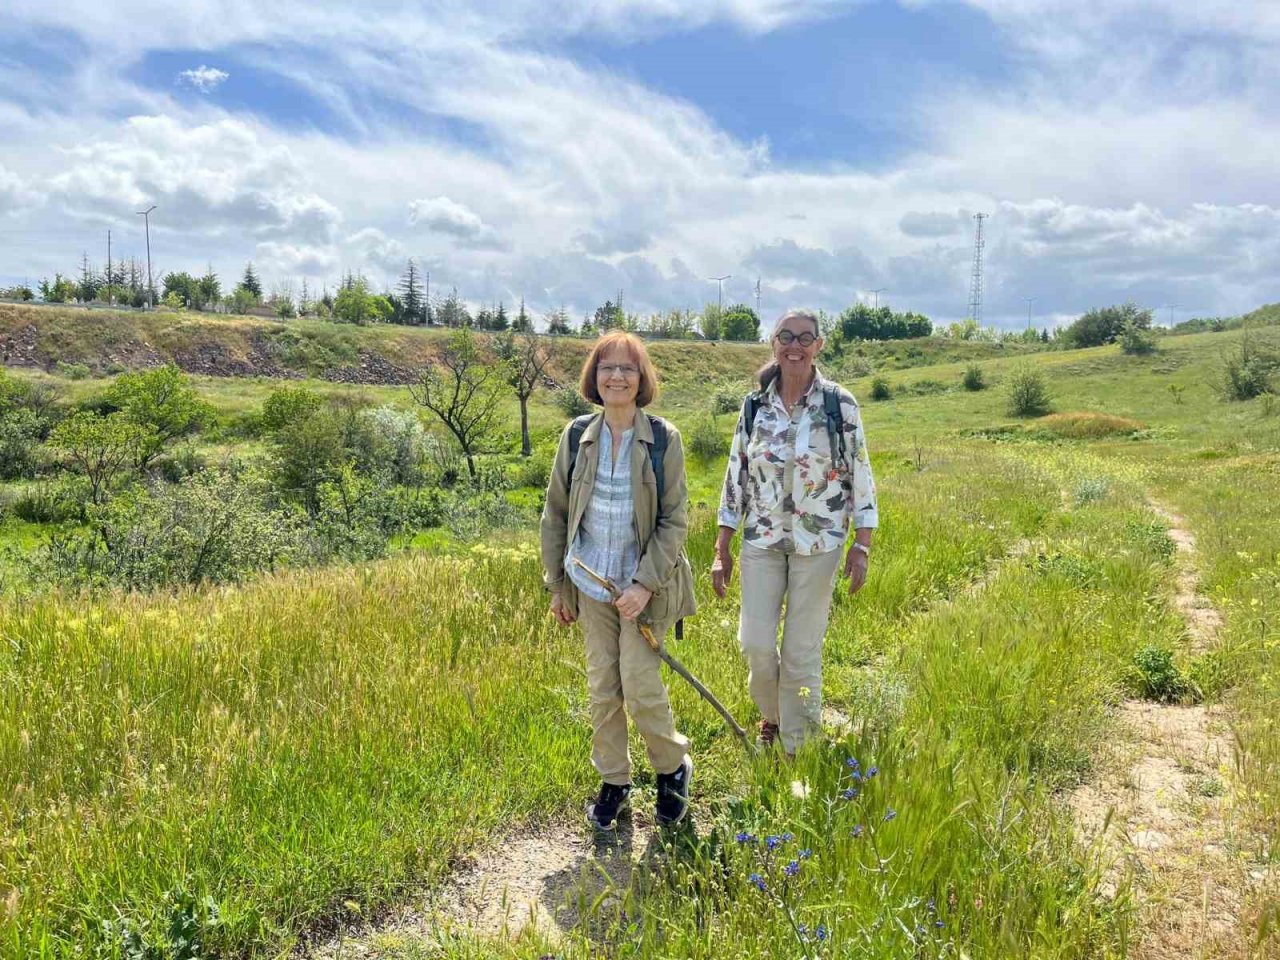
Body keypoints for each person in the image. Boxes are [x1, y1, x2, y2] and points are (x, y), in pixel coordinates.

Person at [540, 330, 697, 830]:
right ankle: (614, 781)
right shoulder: (576, 436)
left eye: (627, 368)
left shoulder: (663, 439)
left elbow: (675, 519)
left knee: (640, 683)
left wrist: (644, 584)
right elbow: (556, 515)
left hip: (643, 591)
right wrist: (558, 586)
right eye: (607, 367)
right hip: (590, 586)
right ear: (595, 376)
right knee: (603, 688)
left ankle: (672, 770)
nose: (616, 376)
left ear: (642, 378)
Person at [711, 308, 878, 756]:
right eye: (786, 336)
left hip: (819, 543)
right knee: (757, 645)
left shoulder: (838, 404)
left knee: (802, 652)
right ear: (773, 343)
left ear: (819, 346)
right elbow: (736, 475)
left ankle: (796, 750)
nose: (795, 345)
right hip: (762, 541)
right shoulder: (754, 405)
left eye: (805, 338)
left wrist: (862, 544)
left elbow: (859, 471)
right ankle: (775, 714)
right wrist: (721, 545)